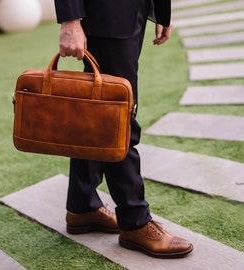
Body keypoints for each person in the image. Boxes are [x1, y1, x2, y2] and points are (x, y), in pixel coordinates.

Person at [54, 0, 193, 258]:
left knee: (101, 111)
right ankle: (135, 221)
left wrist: (160, 9)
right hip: (104, 12)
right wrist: (70, 20)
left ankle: (82, 205)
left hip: (133, 9)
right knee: (119, 116)